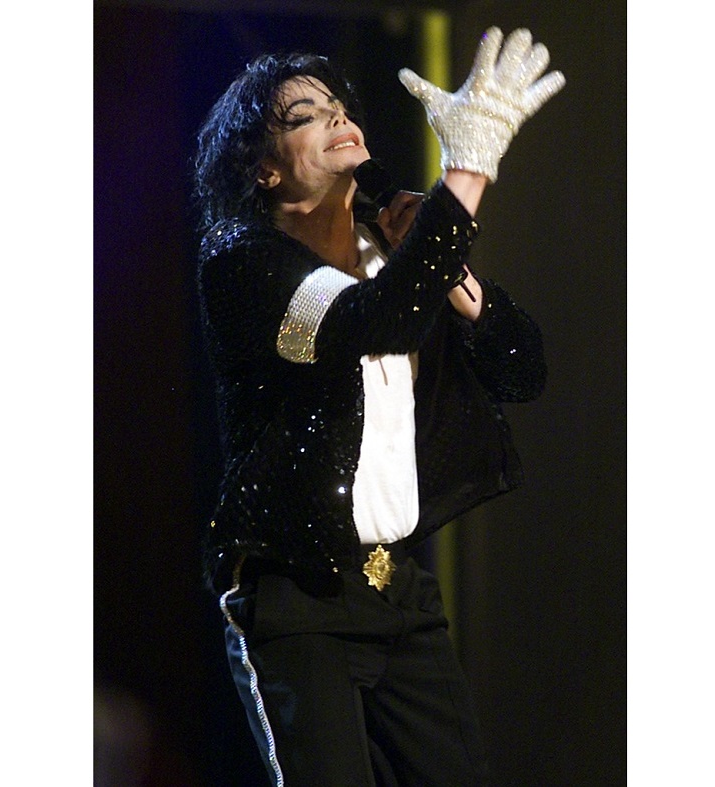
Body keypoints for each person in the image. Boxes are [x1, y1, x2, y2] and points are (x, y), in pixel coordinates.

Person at [193, 26, 565, 786]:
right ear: (263, 170)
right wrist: (467, 168)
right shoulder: (245, 264)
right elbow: (370, 321)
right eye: (302, 115)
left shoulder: (394, 253)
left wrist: (452, 276)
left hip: (396, 586)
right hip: (297, 593)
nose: (334, 116)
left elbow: (522, 368)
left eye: (337, 104)